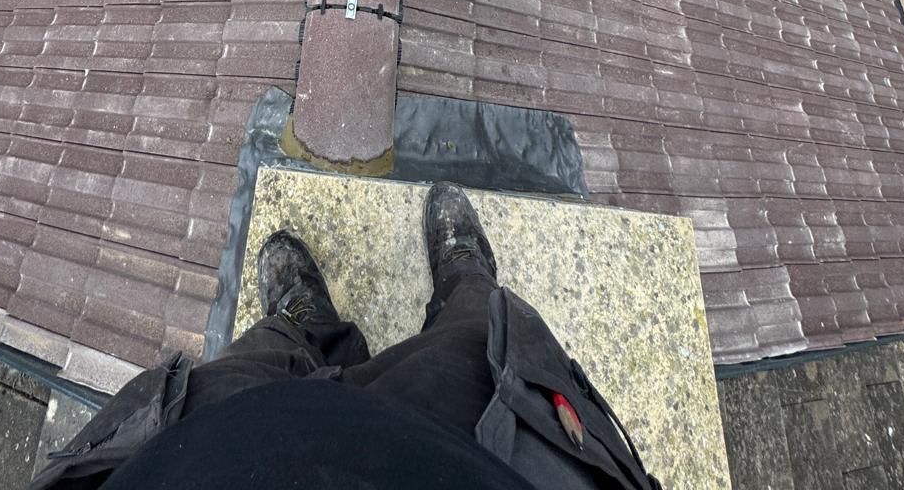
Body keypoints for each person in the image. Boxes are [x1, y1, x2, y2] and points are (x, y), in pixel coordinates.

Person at [32, 183, 660, 490]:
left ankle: (303, 332)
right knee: (477, 342)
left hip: (195, 453)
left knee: (253, 360)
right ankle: (464, 287)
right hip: (482, 456)